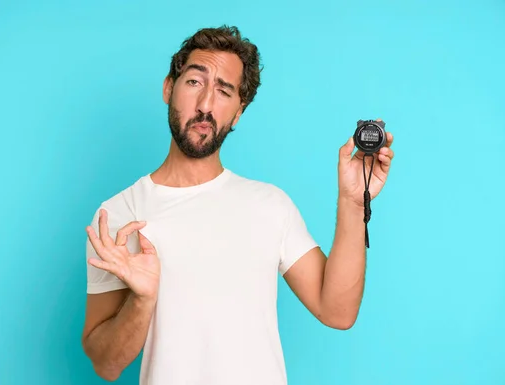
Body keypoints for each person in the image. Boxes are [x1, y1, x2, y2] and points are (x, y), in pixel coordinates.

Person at [80, 25, 394, 384]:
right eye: (195, 82)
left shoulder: (270, 205)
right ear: (169, 87)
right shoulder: (119, 214)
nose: (205, 106)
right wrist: (142, 300)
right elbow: (106, 365)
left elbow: (337, 311)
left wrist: (354, 202)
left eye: (224, 91)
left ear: (238, 112)